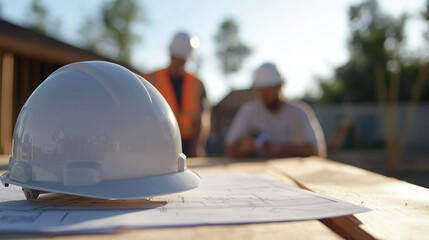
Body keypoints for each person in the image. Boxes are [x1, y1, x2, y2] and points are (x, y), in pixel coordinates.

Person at [224, 62, 326, 158]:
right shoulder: (248, 112)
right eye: (260, 90)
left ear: (280, 86)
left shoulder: (299, 113)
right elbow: (228, 148)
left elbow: (318, 152)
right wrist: (241, 148)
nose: (264, 94)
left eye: (268, 89)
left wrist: (283, 149)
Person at [144, 32, 209, 157]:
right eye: (177, 58)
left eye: (182, 60)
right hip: (159, 144)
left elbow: (202, 118)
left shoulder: (197, 84)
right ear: (171, 55)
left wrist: (197, 147)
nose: (179, 63)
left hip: (188, 145)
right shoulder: (150, 79)